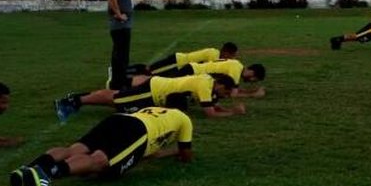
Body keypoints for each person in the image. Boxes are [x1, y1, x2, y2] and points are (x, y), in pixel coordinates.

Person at [10, 107, 193, 186]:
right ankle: (47, 174)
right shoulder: (185, 120)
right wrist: (176, 151)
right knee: (101, 162)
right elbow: (186, 155)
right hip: (139, 131)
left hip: (120, 119)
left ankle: (32, 168)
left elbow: (148, 153)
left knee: (76, 149)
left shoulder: (159, 110)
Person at [55, 73, 244, 120]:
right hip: (155, 91)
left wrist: (227, 109)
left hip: (156, 89)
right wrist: (233, 113)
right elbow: (210, 113)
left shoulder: (209, 84)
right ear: (220, 84)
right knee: (118, 100)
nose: (226, 96)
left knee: (118, 97)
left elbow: (215, 106)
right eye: (226, 92)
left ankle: (78, 98)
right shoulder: (206, 85)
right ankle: (75, 101)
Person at [134, 60, 267, 98]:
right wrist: (254, 94)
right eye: (254, 78)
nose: (252, 80)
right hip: (192, 72)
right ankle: (133, 79)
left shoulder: (236, 66)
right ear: (252, 72)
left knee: (160, 81)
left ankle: (134, 80)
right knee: (159, 81)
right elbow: (232, 93)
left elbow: (231, 89)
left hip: (194, 71)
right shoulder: (235, 69)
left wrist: (251, 91)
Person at [106, 0, 134, 90]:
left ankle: (120, 81)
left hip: (124, 24)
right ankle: (117, 83)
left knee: (123, 54)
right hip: (119, 24)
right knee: (120, 54)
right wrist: (118, 13)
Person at [131, 43, 239, 76]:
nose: (232, 58)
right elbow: (210, 71)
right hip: (177, 63)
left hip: (178, 65)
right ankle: (128, 72)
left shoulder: (216, 54)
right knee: (149, 71)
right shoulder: (213, 54)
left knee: (152, 74)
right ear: (225, 52)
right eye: (231, 55)